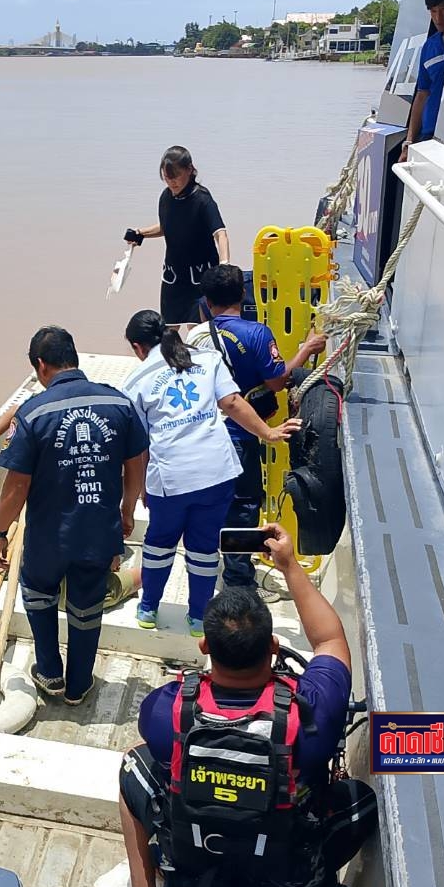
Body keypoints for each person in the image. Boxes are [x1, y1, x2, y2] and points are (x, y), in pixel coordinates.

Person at [107, 524, 377, 887]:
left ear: (204, 648)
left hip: (192, 872)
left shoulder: (167, 710)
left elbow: (156, 741)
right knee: (362, 798)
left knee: (133, 765)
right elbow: (329, 639)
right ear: (272, 647)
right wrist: (288, 566)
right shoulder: (313, 714)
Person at [0, 326, 148, 705]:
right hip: (98, 529)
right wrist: (127, 511)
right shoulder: (119, 403)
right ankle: (78, 685)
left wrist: (0, 532)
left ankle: (49, 672)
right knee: (87, 604)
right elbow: (136, 461)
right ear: (74, 359)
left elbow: (16, 486)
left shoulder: (34, 412)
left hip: (50, 533)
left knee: (37, 592)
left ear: (41, 365)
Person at [122, 311, 299, 636]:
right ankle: (199, 620)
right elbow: (232, 403)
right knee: (203, 547)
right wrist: (269, 433)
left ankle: (148, 608)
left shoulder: (135, 381)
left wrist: (135, 495)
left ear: (137, 347)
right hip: (218, 473)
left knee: (159, 545)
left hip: (171, 479)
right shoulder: (207, 359)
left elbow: (138, 446)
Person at [198, 263, 327, 587]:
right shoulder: (256, 334)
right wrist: (307, 349)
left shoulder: (196, 335)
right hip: (241, 433)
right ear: (243, 293)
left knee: (212, 500)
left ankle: (207, 559)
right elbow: (278, 381)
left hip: (203, 431)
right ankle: (239, 577)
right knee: (243, 508)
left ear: (206, 300)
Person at [124, 146, 230, 326]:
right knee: (169, 329)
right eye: (167, 177)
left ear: (189, 170)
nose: (172, 182)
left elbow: (220, 233)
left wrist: (224, 265)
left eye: (176, 176)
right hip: (173, 277)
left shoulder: (202, 198)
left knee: (196, 331)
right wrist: (140, 233)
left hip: (200, 278)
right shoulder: (166, 197)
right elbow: (167, 227)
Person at [401, 0, 444, 158]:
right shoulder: (430, 46)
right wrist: (409, 141)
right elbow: (422, 94)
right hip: (430, 132)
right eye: (433, 11)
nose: (438, 18)